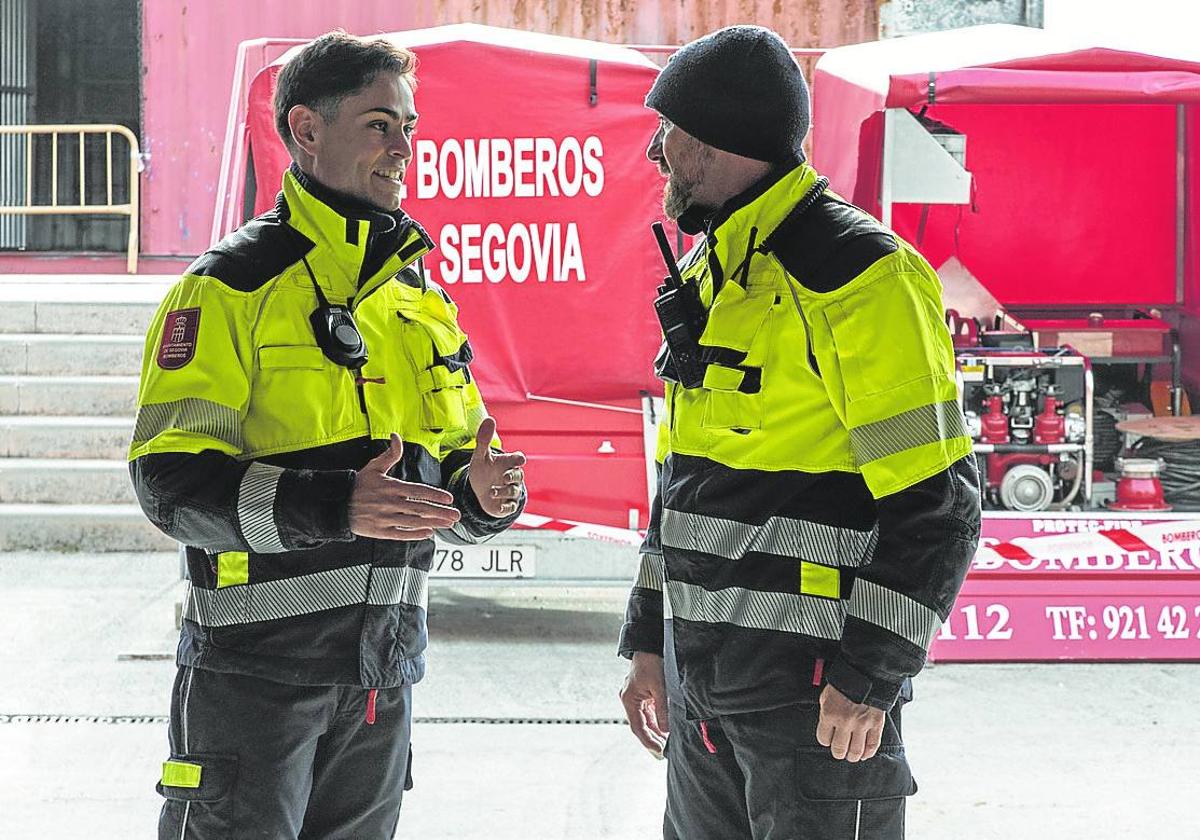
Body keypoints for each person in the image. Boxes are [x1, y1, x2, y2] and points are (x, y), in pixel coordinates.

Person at [129, 31, 526, 839]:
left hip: (382, 680)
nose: (404, 147)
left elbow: (447, 473)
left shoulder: (417, 296)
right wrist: (338, 505)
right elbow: (171, 486)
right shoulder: (226, 289)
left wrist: (480, 498)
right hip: (253, 683)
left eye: (409, 127)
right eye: (381, 125)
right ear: (306, 130)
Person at [617, 25, 981, 840]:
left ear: (714, 142)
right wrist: (650, 642)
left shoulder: (858, 275)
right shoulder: (717, 267)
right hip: (705, 691)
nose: (656, 153)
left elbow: (938, 503)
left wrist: (869, 677)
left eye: (666, 130)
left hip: (815, 703)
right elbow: (683, 484)